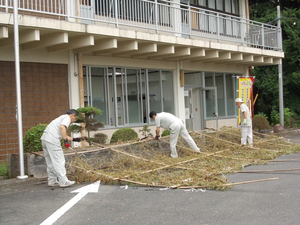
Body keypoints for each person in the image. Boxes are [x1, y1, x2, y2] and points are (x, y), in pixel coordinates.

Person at [41, 109, 81, 187]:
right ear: (73, 115)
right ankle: (63, 181)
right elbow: (62, 127)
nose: (74, 120)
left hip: (45, 139)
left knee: (50, 161)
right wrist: (65, 140)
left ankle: (52, 180)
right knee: (59, 160)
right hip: (53, 140)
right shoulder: (67, 118)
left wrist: (74, 139)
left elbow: (63, 133)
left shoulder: (60, 118)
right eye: (75, 118)